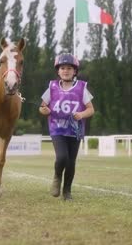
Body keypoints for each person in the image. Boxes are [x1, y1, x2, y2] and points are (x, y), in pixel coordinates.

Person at [39, 53, 95, 201]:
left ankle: (67, 191)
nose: (66, 71)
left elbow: (91, 109)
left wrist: (82, 114)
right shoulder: (52, 87)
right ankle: (57, 177)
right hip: (57, 129)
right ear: (58, 71)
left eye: (69, 68)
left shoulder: (82, 87)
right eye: (62, 68)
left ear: (75, 71)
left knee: (71, 162)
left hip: (75, 131)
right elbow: (42, 106)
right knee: (62, 157)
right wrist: (44, 110)